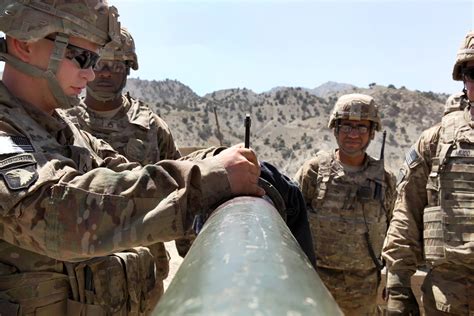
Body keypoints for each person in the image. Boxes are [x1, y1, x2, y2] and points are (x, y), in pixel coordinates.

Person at [0, 1, 264, 314]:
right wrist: (209, 178)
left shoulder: (66, 128)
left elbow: (134, 173)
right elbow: (56, 211)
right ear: (25, 44)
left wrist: (215, 160)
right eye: (81, 56)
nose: (91, 74)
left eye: (95, 59)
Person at [64, 27, 183, 303]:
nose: (105, 72)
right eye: (100, 63)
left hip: (144, 275)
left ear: (128, 70)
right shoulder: (64, 123)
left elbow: (180, 186)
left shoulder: (151, 126)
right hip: (77, 277)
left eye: (116, 66)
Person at [382, 31, 474, 315]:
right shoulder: (435, 141)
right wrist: (398, 286)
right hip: (450, 298)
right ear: (463, 79)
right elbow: (405, 213)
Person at [294, 93, 396, 315]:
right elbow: (291, 220)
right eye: (347, 125)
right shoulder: (314, 171)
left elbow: (395, 231)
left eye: (361, 127)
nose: (353, 134)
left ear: (371, 132)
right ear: (335, 128)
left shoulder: (385, 179)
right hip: (316, 285)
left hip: (364, 292)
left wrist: (394, 278)